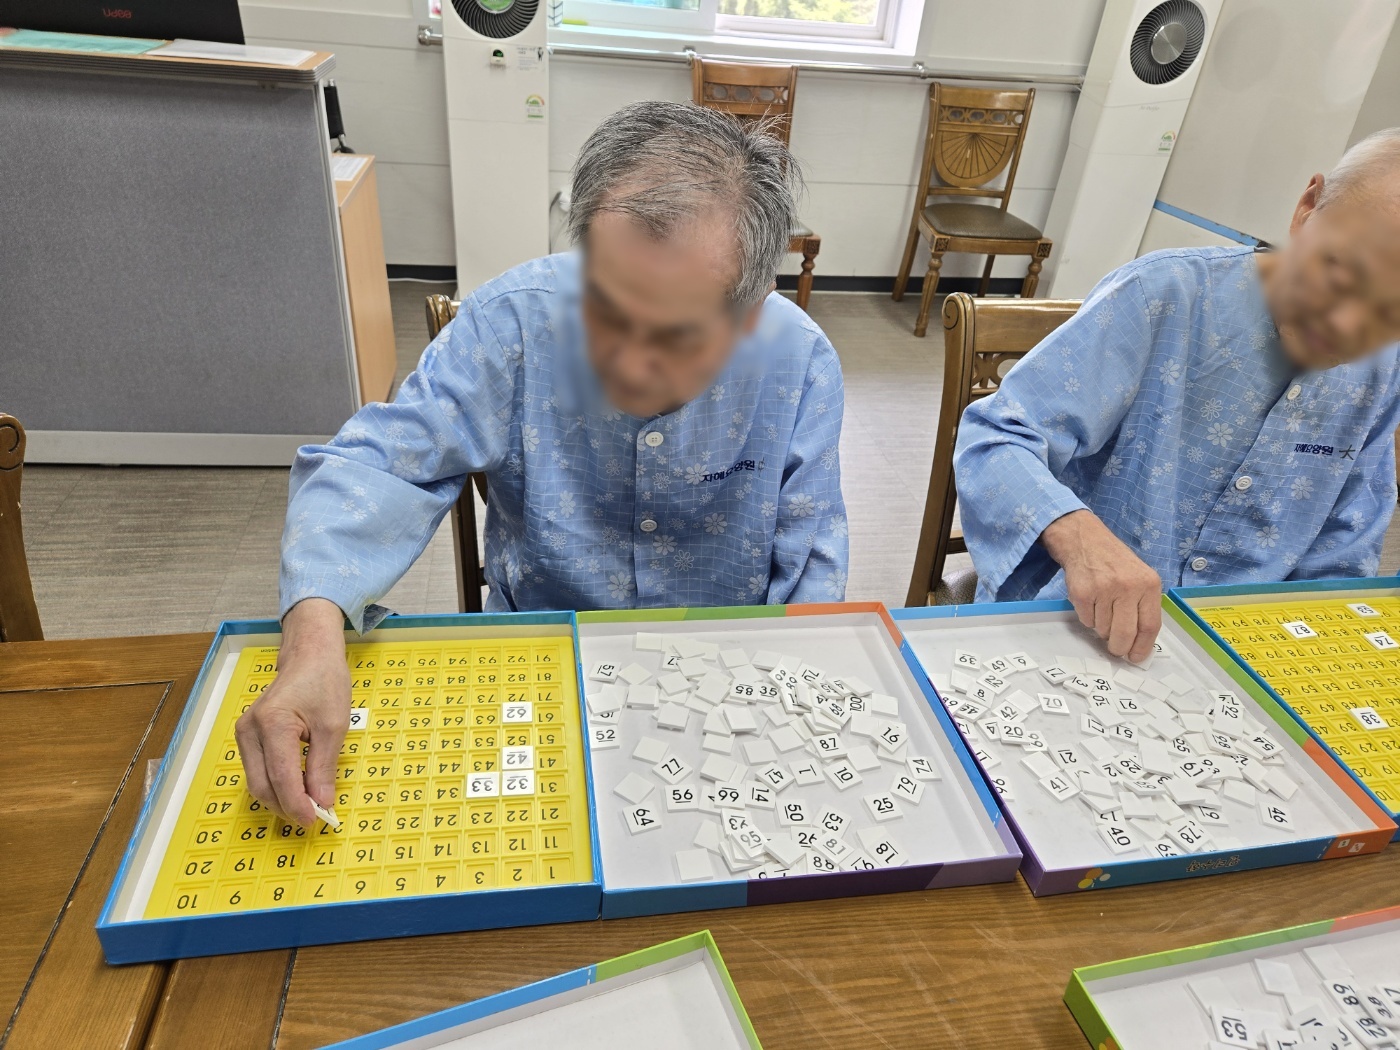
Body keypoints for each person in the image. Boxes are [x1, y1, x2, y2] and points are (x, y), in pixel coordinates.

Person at [237, 100, 849, 825]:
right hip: (536, 657)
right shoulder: (510, 323)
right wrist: (311, 640)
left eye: (676, 335)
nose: (628, 362)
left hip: (726, 677)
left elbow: (810, 569)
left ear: (752, 309)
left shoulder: (798, 363)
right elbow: (376, 467)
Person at [955, 128, 1400, 664]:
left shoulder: (1384, 374)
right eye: (1342, 273)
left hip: (1250, 648)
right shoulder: (1162, 295)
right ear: (1308, 208)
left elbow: (1343, 551)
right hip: (1080, 620)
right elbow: (994, 439)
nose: (1347, 325)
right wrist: (1078, 537)